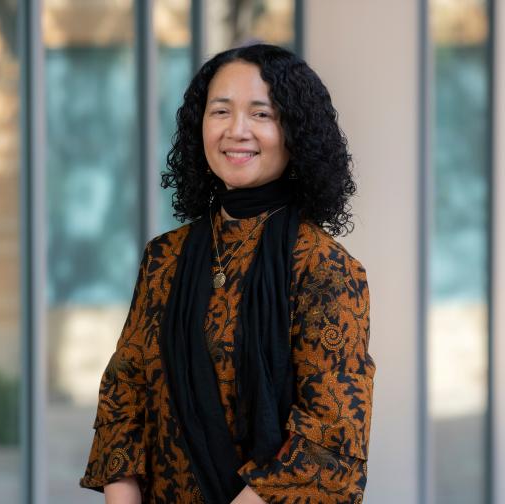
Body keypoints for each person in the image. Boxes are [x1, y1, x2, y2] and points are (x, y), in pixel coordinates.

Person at [79, 43, 375, 504]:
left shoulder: (327, 269)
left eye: (262, 114)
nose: (237, 131)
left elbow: (329, 441)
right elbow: (125, 396)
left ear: (296, 132)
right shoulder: (164, 257)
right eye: (221, 111)